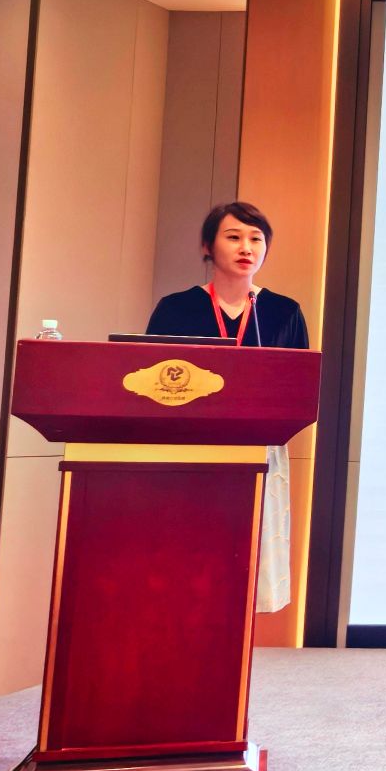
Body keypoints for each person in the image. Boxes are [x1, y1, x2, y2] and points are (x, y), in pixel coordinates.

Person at [147, 201, 310, 612]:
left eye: (256, 239)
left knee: (246, 565)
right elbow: (150, 380)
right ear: (208, 246)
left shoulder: (283, 312)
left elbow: (301, 387)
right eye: (233, 237)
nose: (246, 248)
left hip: (259, 448)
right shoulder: (176, 308)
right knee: (186, 566)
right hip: (188, 450)